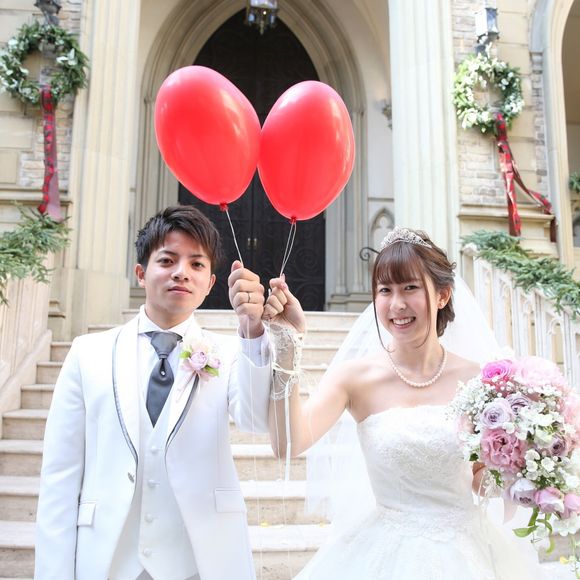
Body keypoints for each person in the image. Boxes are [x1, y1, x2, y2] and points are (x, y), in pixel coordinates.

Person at [263, 226, 547, 579]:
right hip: (384, 551)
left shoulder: (481, 380)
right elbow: (288, 443)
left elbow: (478, 476)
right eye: (385, 290)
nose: (396, 304)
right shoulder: (354, 378)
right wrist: (287, 344)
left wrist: (527, 472)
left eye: (410, 287)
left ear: (442, 295)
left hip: (466, 552)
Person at [35, 205, 272, 580]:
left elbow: (257, 420)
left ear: (211, 282)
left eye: (196, 264)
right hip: (109, 561)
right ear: (141, 273)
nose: (182, 272)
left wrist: (253, 333)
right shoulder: (87, 354)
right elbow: (59, 476)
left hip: (201, 560)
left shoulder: (231, 352)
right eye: (167, 260)